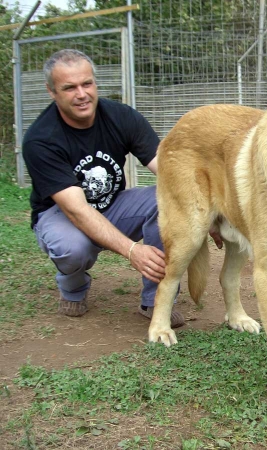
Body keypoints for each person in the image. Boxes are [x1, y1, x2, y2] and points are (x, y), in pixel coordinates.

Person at [22, 49, 221, 326]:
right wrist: (131, 250)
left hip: (113, 205)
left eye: (87, 84)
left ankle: (156, 302)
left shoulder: (121, 117)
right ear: (52, 91)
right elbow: (77, 210)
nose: (81, 94)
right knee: (73, 248)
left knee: (166, 202)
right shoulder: (41, 140)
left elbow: (168, 172)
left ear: (95, 83)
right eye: (69, 88)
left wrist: (204, 214)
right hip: (61, 214)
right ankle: (73, 287)